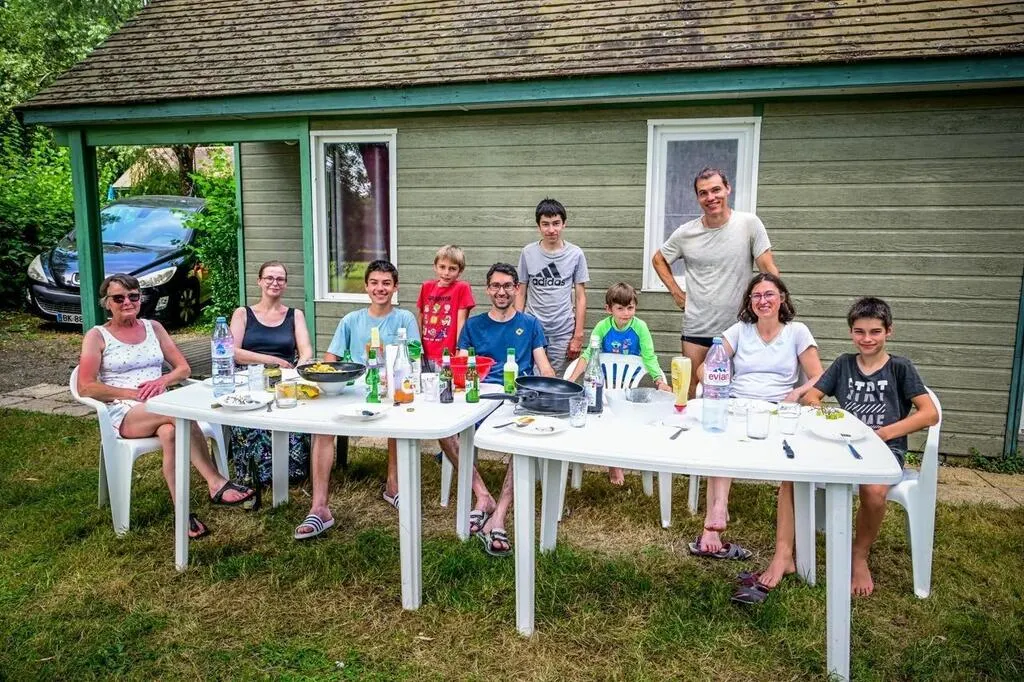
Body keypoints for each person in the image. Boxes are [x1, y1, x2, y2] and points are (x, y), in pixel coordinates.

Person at [735, 297, 938, 602]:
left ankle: (859, 555)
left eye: (875, 331)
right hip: (841, 447)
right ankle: (783, 556)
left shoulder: (900, 368)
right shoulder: (844, 364)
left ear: (889, 331)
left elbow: (929, 414)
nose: (867, 339)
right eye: (859, 332)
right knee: (791, 477)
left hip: (884, 451)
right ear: (851, 332)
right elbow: (812, 397)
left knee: (874, 490)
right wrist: (826, 417)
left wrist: (883, 434)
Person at [77, 274, 254, 539]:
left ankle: (182, 513)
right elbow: (86, 387)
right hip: (124, 410)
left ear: (140, 298)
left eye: (133, 296)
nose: (127, 302)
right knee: (179, 413)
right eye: (119, 298)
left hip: (160, 405)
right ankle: (216, 482)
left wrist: (162, 380)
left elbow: (183, 369)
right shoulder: (97, 336)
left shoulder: (154, 328)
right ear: (107, 303)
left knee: (171, 432)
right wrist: (131, 393)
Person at [693, 273, 823, 558]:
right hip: (737, 403)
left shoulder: (797, 332)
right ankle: (716, 513)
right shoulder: (740, 331)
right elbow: (705, 368)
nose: (763, 301)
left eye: (769, 294)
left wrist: (796, 393)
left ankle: (718, 514)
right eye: (757, 296)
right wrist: (717, 385)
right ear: (749, 301)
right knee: (720, 437)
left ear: (782, 298)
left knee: (727, 437)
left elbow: (818, 376)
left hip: (777, 409)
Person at [294, 260, 419, 539]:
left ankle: (393, 488)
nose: (380, 288)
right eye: (374, 282)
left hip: (391, 389)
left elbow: (413, 357)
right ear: (366, 287)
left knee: (399, 420)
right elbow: (331, 361)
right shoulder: (351, 320)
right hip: (352, 390)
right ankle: (319, 508)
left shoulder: (405, 319)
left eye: (386, 283)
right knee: (322, 428)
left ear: (395, 287)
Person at [652, 167, 779, 399]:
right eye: (703, 193)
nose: (711, 197)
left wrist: (777, 310)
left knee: (735, 391)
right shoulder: (685, 233)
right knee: (689, 391)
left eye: (716, 190)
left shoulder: (749, 224)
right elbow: (658, 259)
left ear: (728, 189)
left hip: (739, 327)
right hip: (697, 327)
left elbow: (768, 270)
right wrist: (678, 295)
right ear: (698, 197)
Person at [459, 262, 556, 556]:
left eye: (507, 286)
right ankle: (482, 495)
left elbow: (544, 367)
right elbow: (461, 367)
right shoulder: (473, 325)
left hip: (516, 396)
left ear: (516, 289)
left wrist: (549, 387)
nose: (501, 292)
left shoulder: (530, 324)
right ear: (488, 289)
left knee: (523, 438)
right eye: (495, 286)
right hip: (481, 394)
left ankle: (499, 514)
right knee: (445, 433)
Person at [569, 281, 670, 485]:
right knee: (603, 420)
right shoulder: (602, 327)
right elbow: (589, 354)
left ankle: (622, 459)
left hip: (629, 386)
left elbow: (649, 356)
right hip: (604, 386)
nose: (626, 313)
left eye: (630, 308)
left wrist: (659, 380)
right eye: (620, 308)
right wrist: (571, 380)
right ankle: (614, 465)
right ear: (609, 309)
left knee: (628, 422)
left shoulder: (640, 327)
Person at [227, 260, 314, 485]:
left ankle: (292, 472)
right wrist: (272, 361)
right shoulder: (243, 313)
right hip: (250, 381)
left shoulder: (295, 315)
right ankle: (255, 472)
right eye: (269, 278)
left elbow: (306, 351)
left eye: (280, 279)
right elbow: (233, 351)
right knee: (254, 419)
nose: (275, 283)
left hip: (284, 381)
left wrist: (298, 368)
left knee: (293, 415)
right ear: (259, 281)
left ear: (285, 284)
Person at [516, 197, 589, 374]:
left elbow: (580, 297)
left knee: (558, 380)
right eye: (545, 224)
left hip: (562, 330)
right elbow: (520, 292)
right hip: (533, 327)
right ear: (538, 226)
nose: (551, 230)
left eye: (556, 223)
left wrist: (578, 335)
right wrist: (518, 325)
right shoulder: (527, 252)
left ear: (564, 224)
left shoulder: (575, 254)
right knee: (532, 377)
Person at [417, 244, 475, 365]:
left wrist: (459, 349)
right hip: (425, 353)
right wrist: (418, 348)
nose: (446, 272)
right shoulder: (426, 286)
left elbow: (461, 321)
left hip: (449, 355)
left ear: (460, 271)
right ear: (435, 267)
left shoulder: (462, 288)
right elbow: (421, 317)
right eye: (442, 267)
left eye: (452, 269)